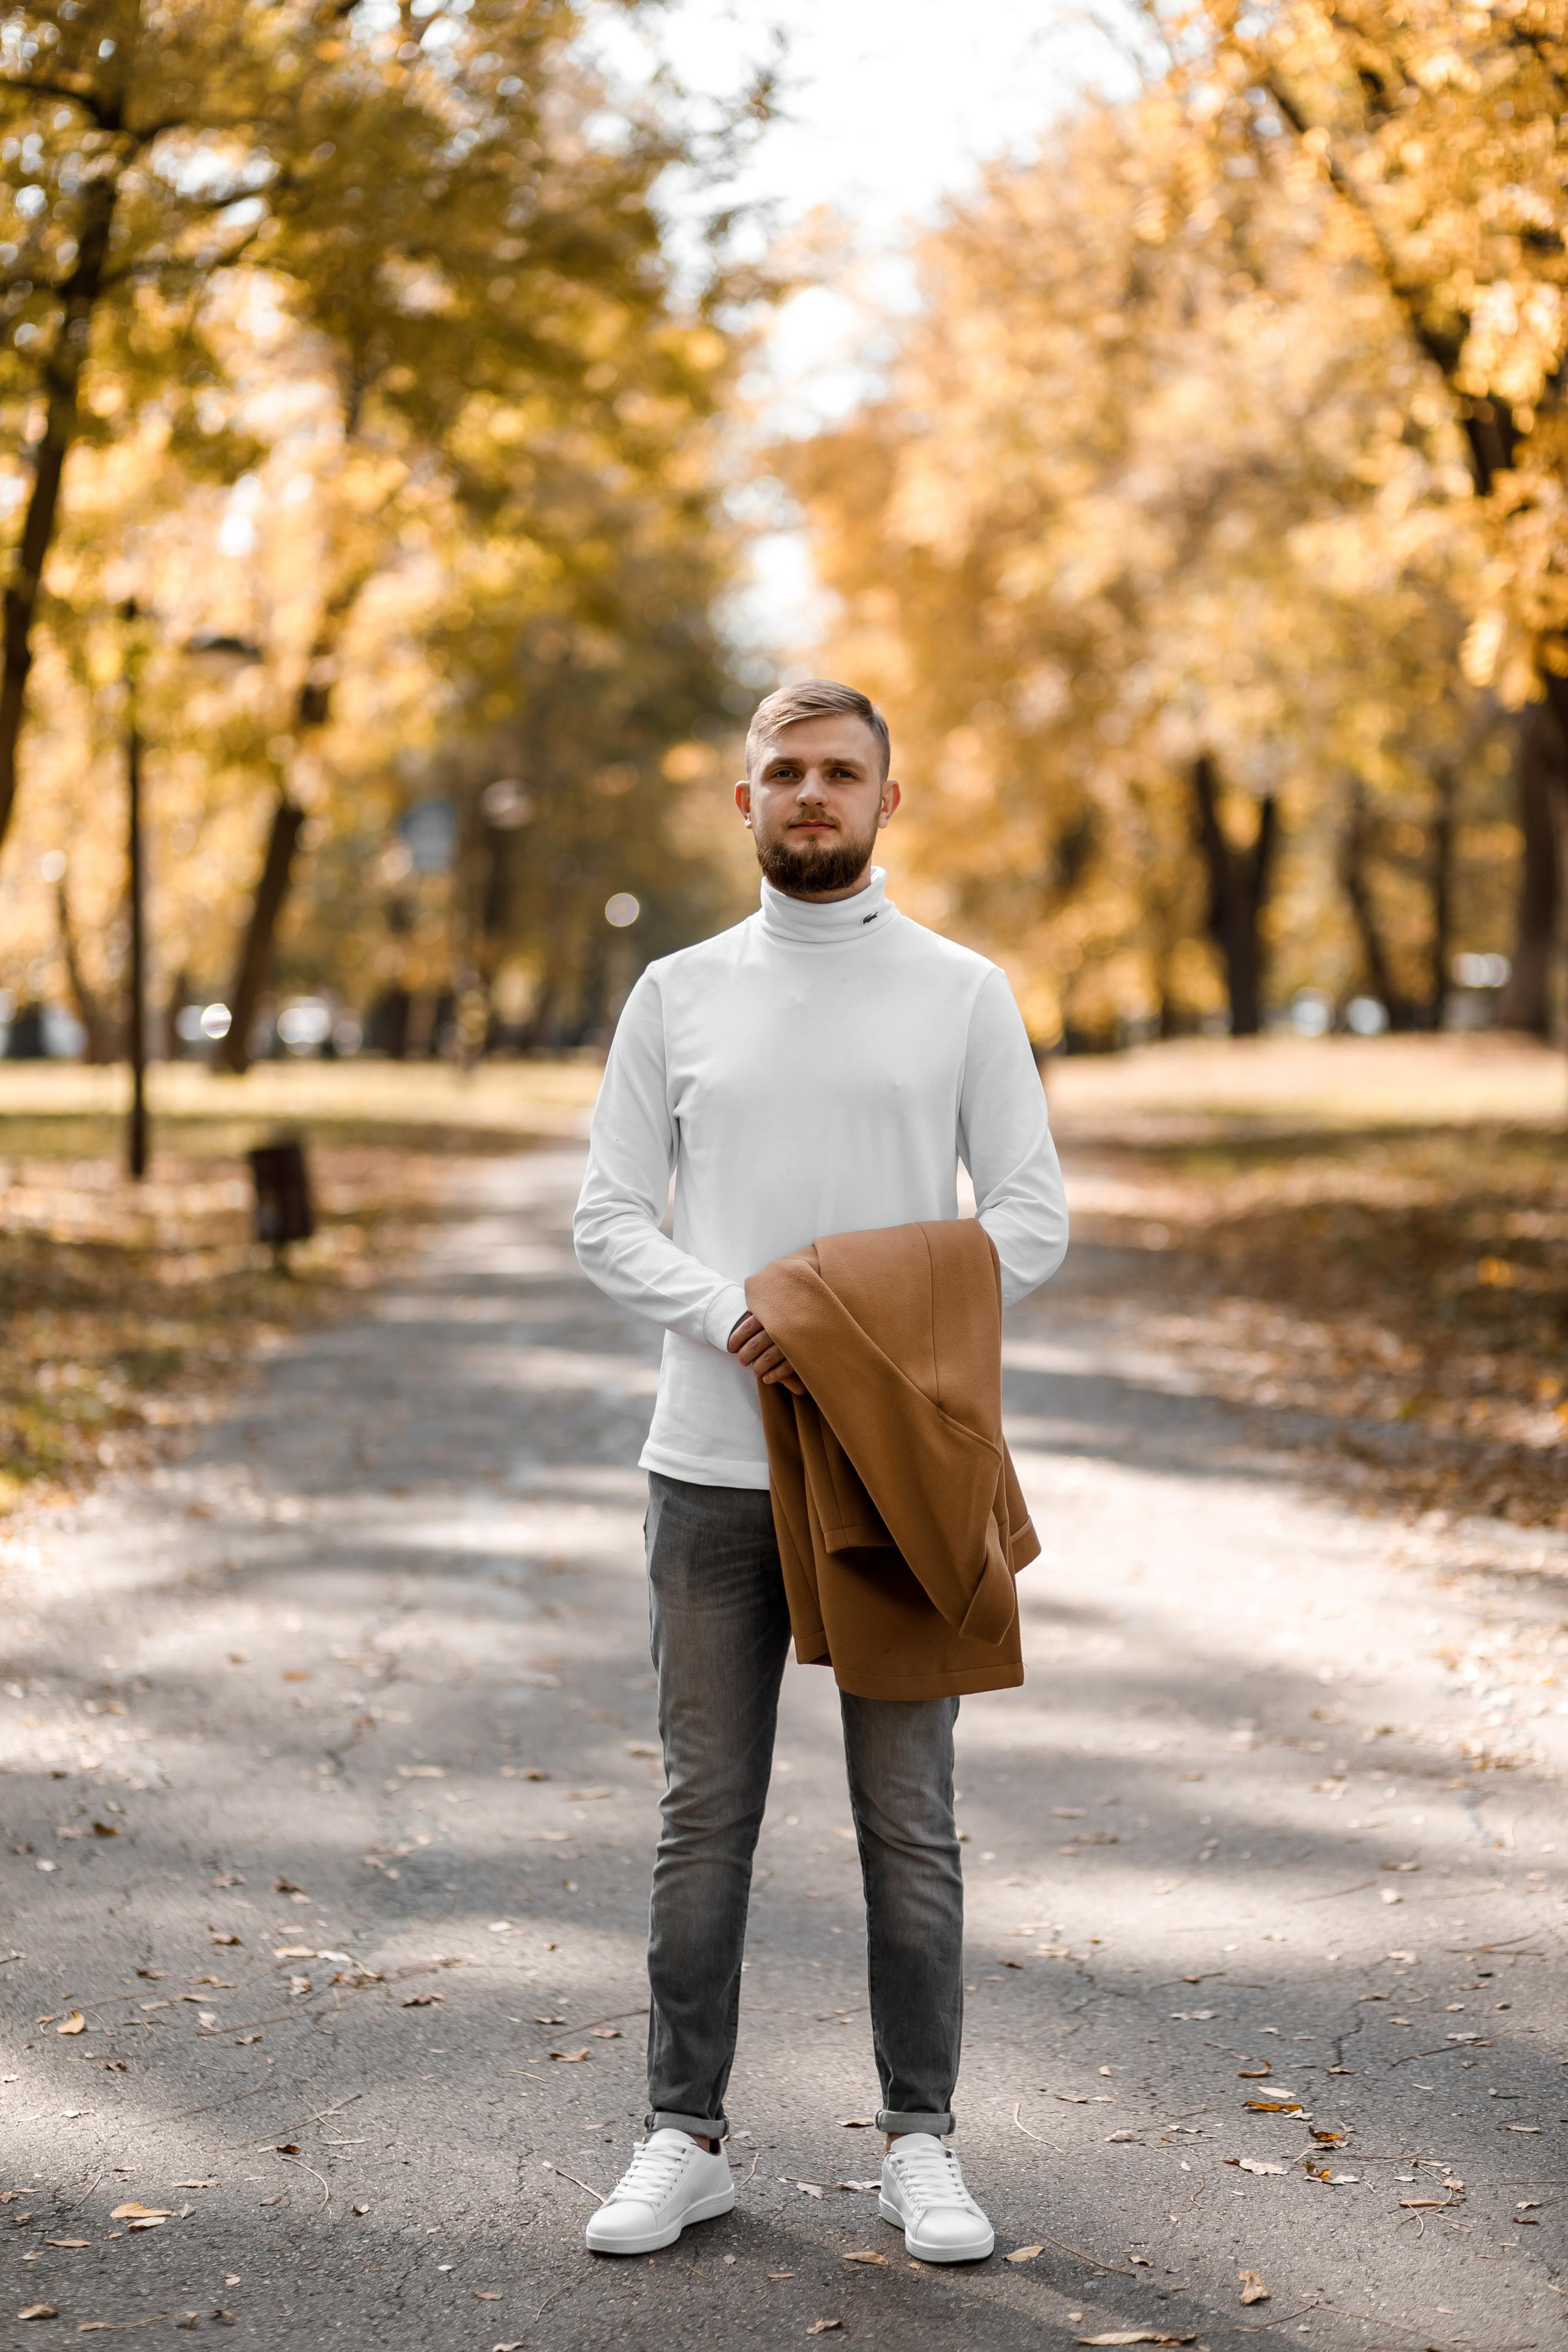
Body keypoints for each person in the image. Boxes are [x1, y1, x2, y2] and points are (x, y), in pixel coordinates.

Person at [571, 679, 1068, 2260]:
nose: (809, 795)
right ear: (744, 802)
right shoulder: (678, 992)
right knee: (702, 1812)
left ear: (885, 803)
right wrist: (740, 1316)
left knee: (906, 1822)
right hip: (711, 1468)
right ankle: (683, 2135)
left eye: (839, 773)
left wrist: (851, 1336)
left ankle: (921, 2142)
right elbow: (606, 1216)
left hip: (894, 1476)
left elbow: (1032, 1218)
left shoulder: (962, 992)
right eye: (782, 771)